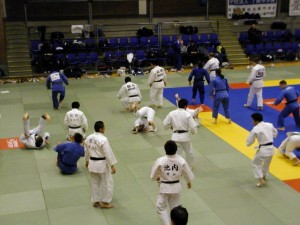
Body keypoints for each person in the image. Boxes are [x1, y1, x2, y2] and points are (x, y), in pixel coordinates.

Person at [151, 140, 194, 225]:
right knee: (175, 210)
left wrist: (157, 177)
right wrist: (188, 181)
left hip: (164, 188)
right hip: (176, 188)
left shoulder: (160, 161)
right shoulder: (181, 160)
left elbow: (153, 176)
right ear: (176, 149)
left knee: (161, 208)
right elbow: (188, 173)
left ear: (165, 149)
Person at [84, 121, 117, 209]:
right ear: (101, 129)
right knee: (107, 183)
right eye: (104, 127)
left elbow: (86, 150)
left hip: (92, 163)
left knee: (95, 183)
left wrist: (87, 161)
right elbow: (107, 153)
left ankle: (96, 201)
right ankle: (105, 202)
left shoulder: (88, 138)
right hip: (101, 164)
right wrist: (112, 165)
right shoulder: (103, 139)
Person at [163, 98, 198, 169]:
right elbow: (193, 126)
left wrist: (170, 127)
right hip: (185, 137)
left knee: (177, 153)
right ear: (185, 106)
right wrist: (194, 132)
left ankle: (176, 167)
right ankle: (189, 166)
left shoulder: (172, 113)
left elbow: (165, 124)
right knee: (189, 152)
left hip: (175, 136)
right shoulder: (187, 114)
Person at [246, 113, 278, 187]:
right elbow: (275, 134)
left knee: (255, 163)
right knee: (266, 164)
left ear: (256, 121)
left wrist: (248, 143)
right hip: (271, 149)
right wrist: (269, 135)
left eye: (252, 120)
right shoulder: (269, 125)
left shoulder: (256, 129)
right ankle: (263, 176)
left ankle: (261, 179)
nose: (252, 122)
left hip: (263, 149)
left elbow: (250, 141)